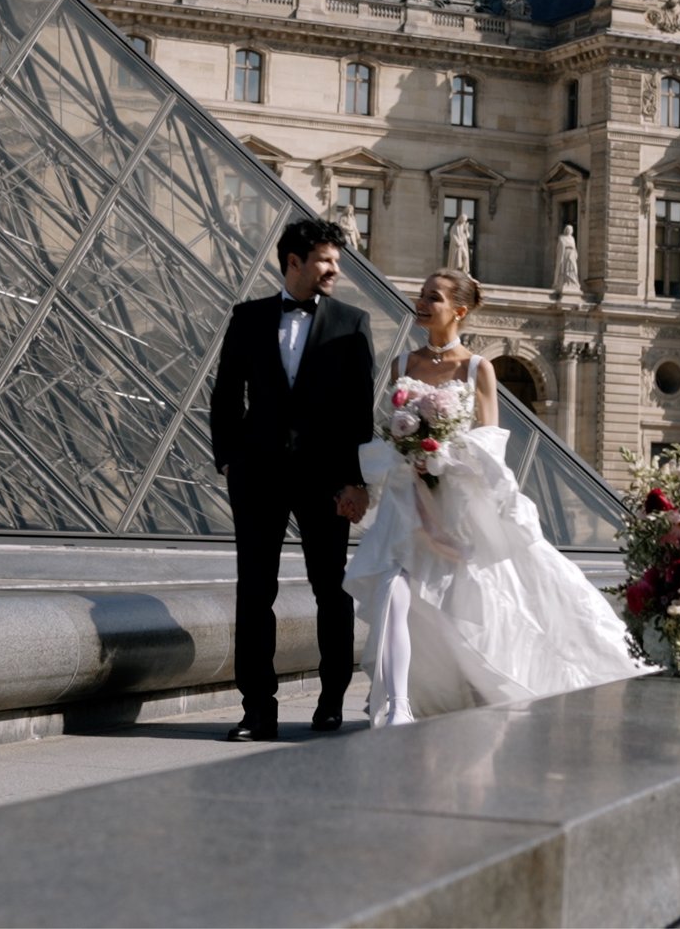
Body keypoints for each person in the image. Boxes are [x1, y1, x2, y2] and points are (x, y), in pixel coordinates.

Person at [345, 268, 649, 726]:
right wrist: (407, 453)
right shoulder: (401, 365)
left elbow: (489, 442)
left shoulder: (477, 368)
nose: (422, 303)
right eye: (422, 295)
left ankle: (460, 686)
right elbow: (388, 429)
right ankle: (396, 702)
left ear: (459, 311)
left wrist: (442, 455)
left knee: (462, 600)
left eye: (434, 298)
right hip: (407, 498)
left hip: (453, 503)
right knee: (394, 590)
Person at [209, 218, 376, 742]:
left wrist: (355, 481)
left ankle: (330, 702)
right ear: (294, 262)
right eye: (326, 260)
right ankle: (257, 709)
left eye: (336, 260)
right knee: (254, 592)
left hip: (326, 479)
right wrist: (230, 460)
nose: (335, 269)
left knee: (331, 589)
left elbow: (358, 412)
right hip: (257, 476)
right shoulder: (248, 317)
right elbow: (225, 393)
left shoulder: (353, 322)